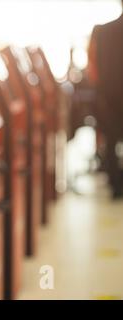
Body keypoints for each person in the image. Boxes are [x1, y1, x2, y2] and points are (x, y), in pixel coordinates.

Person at [88, 5, 123, 198]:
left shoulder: (103, 31)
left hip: (109, 95)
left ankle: (115, 185)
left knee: (111, 141)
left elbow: (94, 65)